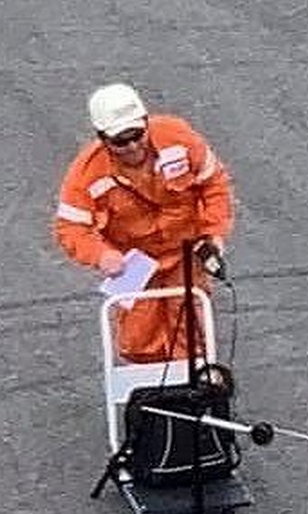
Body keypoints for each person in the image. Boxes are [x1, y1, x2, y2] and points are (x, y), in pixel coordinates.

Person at [53, 83, 234, 363]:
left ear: (146, 123)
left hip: (185, 253)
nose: (132, 146)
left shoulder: (178, 138)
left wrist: (214, 234)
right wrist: (102, 256)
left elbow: (214, 184)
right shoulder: (86, 173)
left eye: (137, 135)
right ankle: (152, 395)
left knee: (190, 332)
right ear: (102, 139)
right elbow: (71, 228)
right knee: (138, 342)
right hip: (134, 264)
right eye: (121, 141)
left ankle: (194, 391)